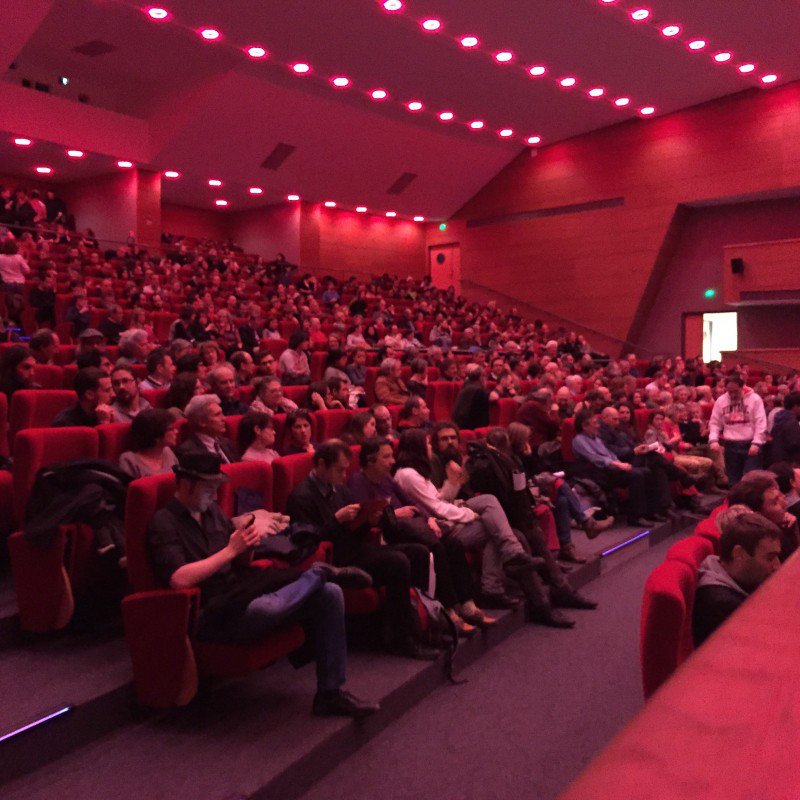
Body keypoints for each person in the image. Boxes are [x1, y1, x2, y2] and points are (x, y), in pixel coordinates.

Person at [147, 451, 379, 718]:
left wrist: (246, 547)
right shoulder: (164, 522)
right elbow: (179, 579)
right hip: (212, 613)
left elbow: (239, 563)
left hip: (239, 591)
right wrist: (231, 551)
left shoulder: (212, 513)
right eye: (209, 487)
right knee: (265, 609)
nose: (215, 494)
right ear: (186, 484)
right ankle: (317, 574)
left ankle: (330, 694)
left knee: (331, 594)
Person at [287, 440, 440, 660]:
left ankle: (420, 624)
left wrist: (368, 520)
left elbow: (354, 529)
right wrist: (336, 521)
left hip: (354, 548)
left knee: (418, 552)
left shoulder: (338, 488)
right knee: (397, 562)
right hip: (334, 560)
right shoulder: (301, 497)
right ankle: (401, 639)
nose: (344, 475)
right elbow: (306, 543)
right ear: (321, 464)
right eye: (340, 469)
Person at [393, 429, 556, 620]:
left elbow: (438, 499)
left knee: (490, 504)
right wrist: (469, 514)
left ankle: (499, 577)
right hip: (439, 528)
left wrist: (452, 483)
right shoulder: (408, 475)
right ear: (417, 447)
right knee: (498, 528)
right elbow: (437, 509)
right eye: (427, 443)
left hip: (447, 518)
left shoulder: (418, 471)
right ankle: (498, 578)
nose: (430, 446)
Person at [348, 437, 493, 634]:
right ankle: (448, 611)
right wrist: (395, 513)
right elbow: (365, 517)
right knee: (436, 547)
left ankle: (467, 604)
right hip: (389, 535)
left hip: (413, 528)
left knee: (453, 543)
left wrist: (429, 519)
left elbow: (413, 503)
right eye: (387, 457)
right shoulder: (358, 482)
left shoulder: (388, 479)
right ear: (370, 461)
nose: (392, 461)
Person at [467, 428, 598, 624]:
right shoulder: (477, 463)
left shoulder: (506, 460)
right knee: (518, 540)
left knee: (533, 533)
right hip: (476, 519)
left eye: (453, 437)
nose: (450, 442)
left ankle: (561, 590)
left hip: (500, 517)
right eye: (445, 439)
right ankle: (541, 605)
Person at [692, 508, 781, 647]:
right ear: (739, 553)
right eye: (770, 557)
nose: (777, 566)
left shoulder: (730, 575)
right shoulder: (721, 605)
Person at [572, 409, 664, 526]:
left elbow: (610, 455)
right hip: (597, 474)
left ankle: (651, 511)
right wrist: (618, 464)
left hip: (610, 470)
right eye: (595, 423)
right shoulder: (579, 440)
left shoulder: (597, 439)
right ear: (584, 426)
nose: (598, 426)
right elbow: (595, 458)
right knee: (636, 475)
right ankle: (635, 517)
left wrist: (619, 463)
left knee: (646, 471)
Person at [727, 470, 800, 562]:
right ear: (757, 516)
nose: (784, 502)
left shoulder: (785, 529)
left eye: (780, 495)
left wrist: (793, 532)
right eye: (775, 502)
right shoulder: (757, 553)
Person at [709, 374, 767, 484]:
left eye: (735, 391)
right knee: (733, 479)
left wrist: (757, 443)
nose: (732, 394)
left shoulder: (754, 399)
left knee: (751, 480)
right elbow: (715, 423)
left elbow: (761, 422)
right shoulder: (721, 401)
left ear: (742, 387)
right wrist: (713, 439)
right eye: (729, 392)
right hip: (731, 445)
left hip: (750, 444)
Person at [176, 394, 237, 462]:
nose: (224, 418)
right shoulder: (188, 452)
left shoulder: (226, 443)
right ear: (201, 422)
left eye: (222, 413)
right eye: (217, 414)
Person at [119, 408, 179, 478]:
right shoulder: (129, 460)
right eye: (171, 429)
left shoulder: (167, 452)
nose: (176, 431)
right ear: (156, 435)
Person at [452, 365, 498, 430]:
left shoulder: (468, 385)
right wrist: (501, 387)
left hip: (464, 426)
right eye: (485, 377)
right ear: (481, 377)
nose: (486, 380)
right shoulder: (474, 389)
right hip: (467, 428)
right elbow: (494, 397)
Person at [0, 238, 30, 323]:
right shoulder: (18, 257)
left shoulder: (0, 257)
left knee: (8, 304)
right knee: (18, 302)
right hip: (20, 284)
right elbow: (27, 270)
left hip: (6, 283)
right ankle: (16, 321)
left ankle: (9, 321)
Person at [769, 391, 800, 464]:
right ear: (795, 406)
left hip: (777, 460)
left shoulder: (778, 418)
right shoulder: (792, 422)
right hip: (790, 463)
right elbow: (794, 444)